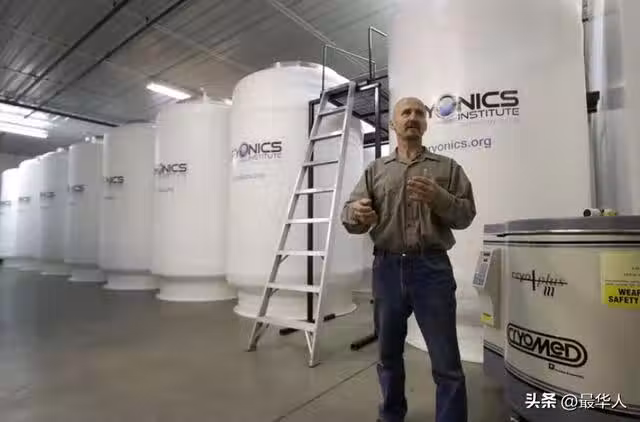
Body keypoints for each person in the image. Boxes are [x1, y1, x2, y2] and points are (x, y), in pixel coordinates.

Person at [341, 97, 476, 422]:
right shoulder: (376, 171)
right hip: (387, 268)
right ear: (393, 123)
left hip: (432, 269)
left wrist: (439, 198)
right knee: (388, 355)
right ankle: (391, 415)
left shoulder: (447, 168)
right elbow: (349, 216)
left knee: (446, 362)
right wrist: (358, 214)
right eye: (406, 112)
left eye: (419, 113)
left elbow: (466, 215)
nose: (413, 117)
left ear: (426, 123)